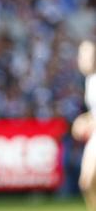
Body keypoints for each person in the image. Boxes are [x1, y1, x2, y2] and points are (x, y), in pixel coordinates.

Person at [73, 39, 96, 210]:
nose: (82, 58)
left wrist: (86, 122)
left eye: (87, 54)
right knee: (87, 183)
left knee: (89, 181)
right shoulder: (90, 80)